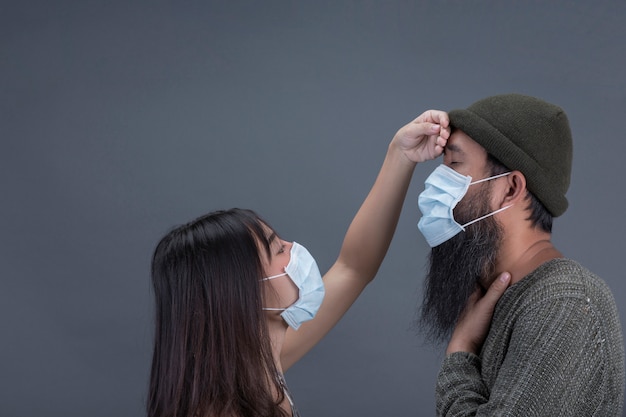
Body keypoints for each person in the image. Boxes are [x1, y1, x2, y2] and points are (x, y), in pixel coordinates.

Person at [146, 109, 462, 417]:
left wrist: (400, 154)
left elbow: (355, 267)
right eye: (276, 249)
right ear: (238, 290)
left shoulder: (254, 370)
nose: (294, 248)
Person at [415, 93, 625, 416]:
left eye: (455, 166)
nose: (435, 186)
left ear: (511, 188)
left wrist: (460, 356)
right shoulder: (504, 298)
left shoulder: (565, 303)